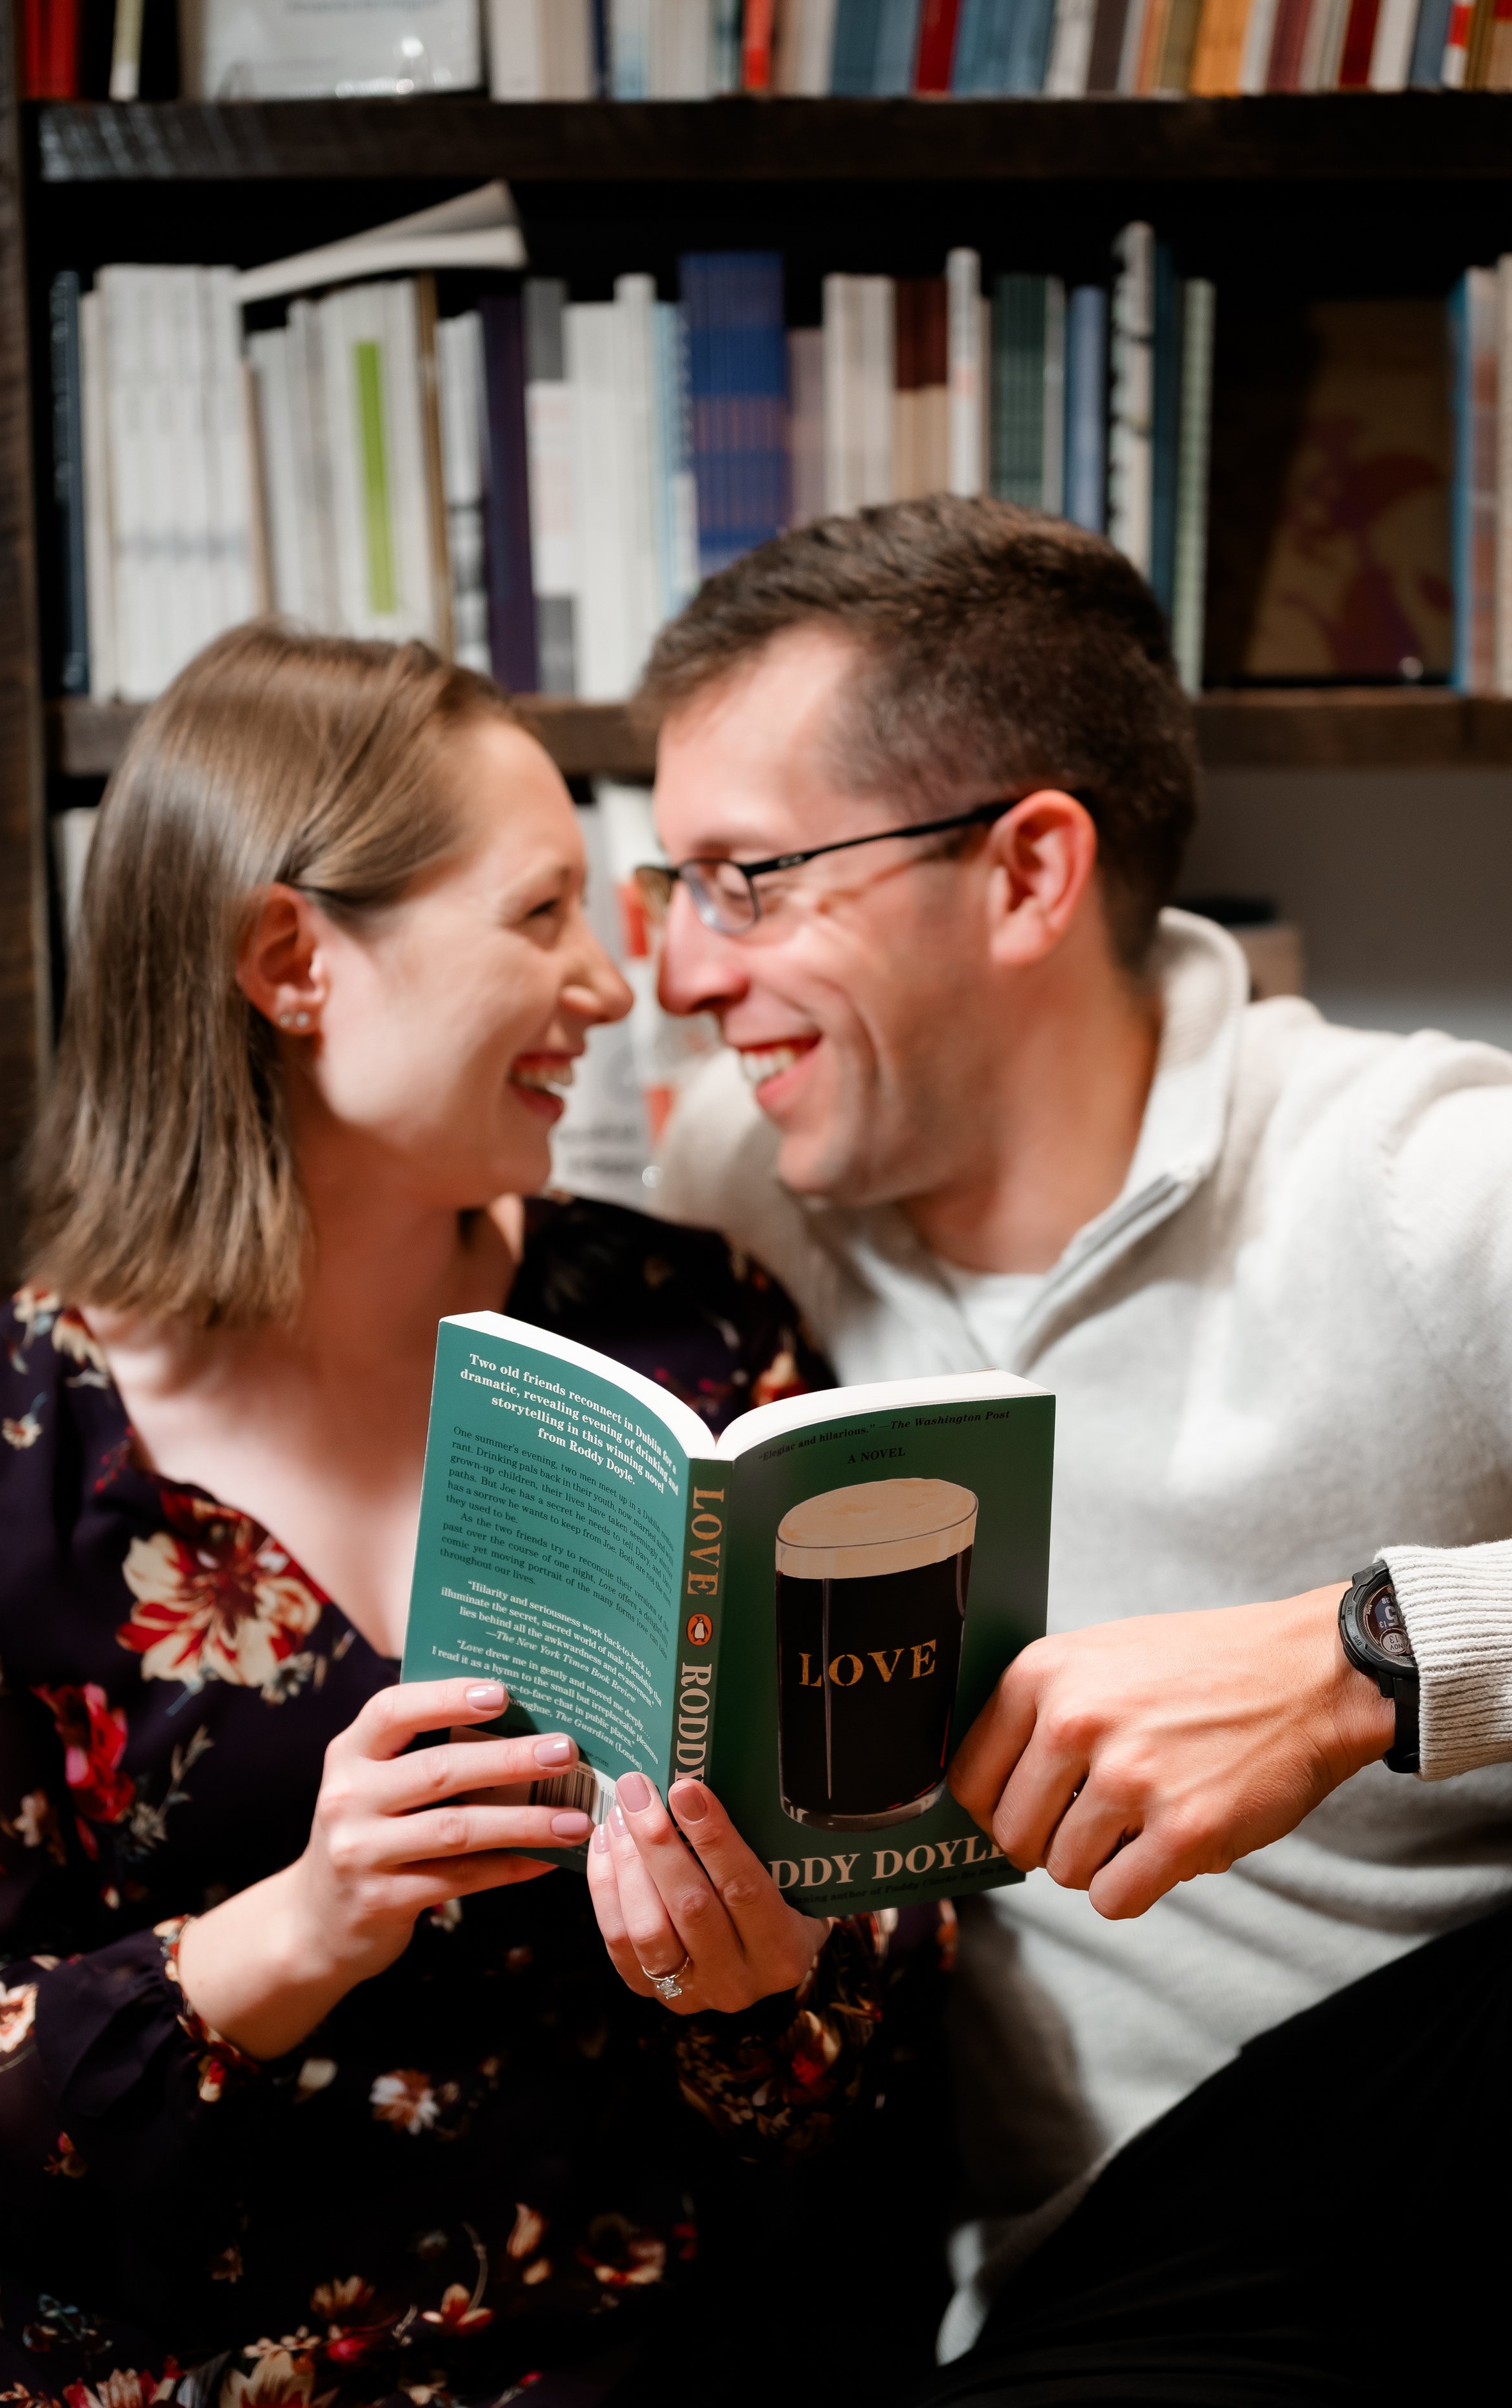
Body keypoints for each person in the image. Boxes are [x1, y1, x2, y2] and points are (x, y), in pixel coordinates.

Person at [0, 622, 949, 2408]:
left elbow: (880, 1972)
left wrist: (761, 1973)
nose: (612, 990)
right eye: (539, 918)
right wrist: (304, 1925)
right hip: (176, 2356)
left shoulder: (691, 1337)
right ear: (293, 961)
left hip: (631, 2335)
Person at [638, 495, 1512, 2392]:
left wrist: (1359, 1661)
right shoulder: (735, 1189)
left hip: (1436, 2155)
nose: (686, 979)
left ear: (1029, 873)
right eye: (671, 893)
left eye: (750, 881)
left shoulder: (1420, 1176)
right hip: (1076, 2268)